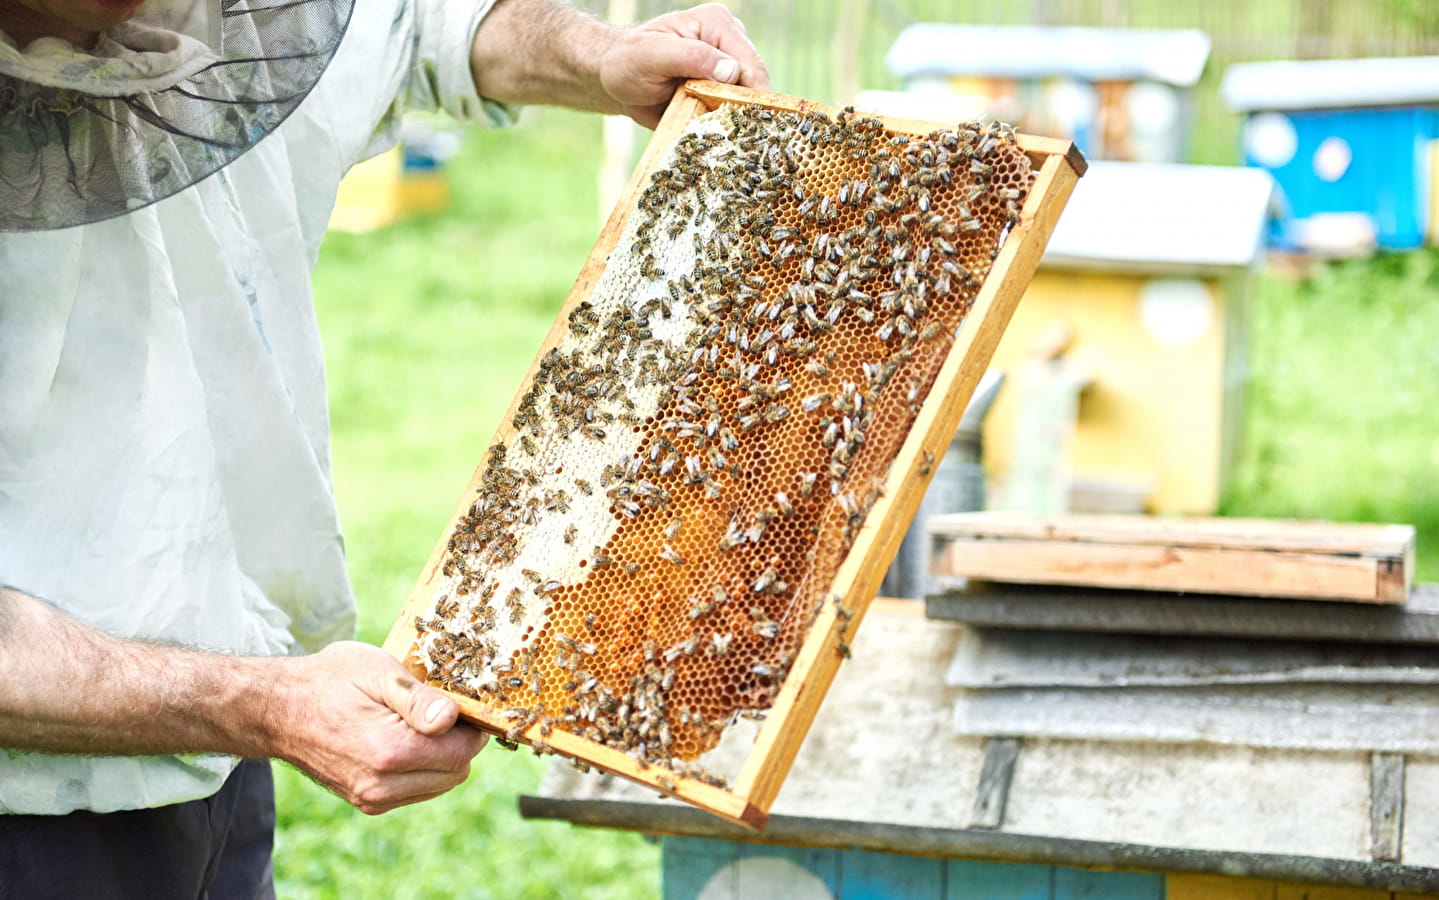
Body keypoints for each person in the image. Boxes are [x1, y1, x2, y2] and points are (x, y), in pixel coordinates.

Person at [0, 0, 767, 893]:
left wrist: (602, 54)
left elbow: (420, 31)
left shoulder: (235, 15)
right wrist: (263, 704)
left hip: (213, 762)